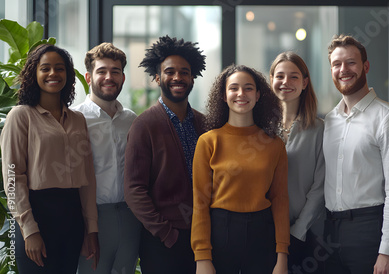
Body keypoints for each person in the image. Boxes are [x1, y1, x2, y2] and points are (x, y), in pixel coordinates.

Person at [0, 44, 99, 273]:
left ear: (68, 74)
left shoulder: (77, 119)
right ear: (34, 74)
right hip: (37, 216)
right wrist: (29, 230)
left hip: (72, 218)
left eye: (59, 68)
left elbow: (88, 178)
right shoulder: (20, 116)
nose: (53, 73)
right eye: (45, 68)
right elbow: (13, 179)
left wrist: (90, 228)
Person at [323, 34, 389, 274]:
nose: (344, 70)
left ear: (366, 66)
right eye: (336, 64)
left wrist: (388, 251)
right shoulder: (329, 121)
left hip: (371, 231)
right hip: (329, 232)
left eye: (351, 62)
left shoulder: (388, 118)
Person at [191, 64, 289, 274]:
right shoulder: (208, 142)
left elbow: (280, 200)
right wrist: (202, 257)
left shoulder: (274, 145)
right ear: (224, 96)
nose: (241, 94)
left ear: (258, 95)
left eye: (248, 88)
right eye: (233, 88)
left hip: (262, 234)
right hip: (221, 234)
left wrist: (282, 256)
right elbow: (199, 202)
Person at [124, 35, 206, 273]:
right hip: (163, 242)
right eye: (170, 72)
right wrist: (166, 234)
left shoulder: (204, 124)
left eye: (184, 72)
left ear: (192, 78)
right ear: (158, 77)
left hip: (203, 235)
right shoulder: (144, 125)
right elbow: (133, 190)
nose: (178, 77)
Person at [72, 42, 142, 274]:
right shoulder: (74, 118)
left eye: (115, 71)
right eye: (101, 71)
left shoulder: (131, 120)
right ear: (89, 77)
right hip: (90, 219)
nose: (108, 77)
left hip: (130, 217)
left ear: (122, 78)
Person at [269, 51, 325, 273]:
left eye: (293, 76)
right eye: (280, 76)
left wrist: (297, 231)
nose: (286, 82)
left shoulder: (319, 129)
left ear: (305, 83)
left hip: (305, 235)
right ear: (271, 79)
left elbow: (319, 187)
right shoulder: (261, 129)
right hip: (264, 231)